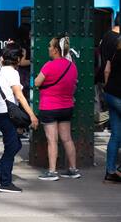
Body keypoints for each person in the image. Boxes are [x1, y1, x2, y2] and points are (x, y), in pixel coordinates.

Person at [0, 43, 38, 192]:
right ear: (16, 58)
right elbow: (19, 95)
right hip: (6, 113)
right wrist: (32, 115)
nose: (23, 59)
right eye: (22, 56)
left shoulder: (0, 71)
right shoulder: (12, 72)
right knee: (11, 146)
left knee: (15, 144)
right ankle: (5, 183)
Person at [35, 36, 80, 181]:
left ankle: (52, 172)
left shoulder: (49, 65)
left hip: (49, 107)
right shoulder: (72, 66)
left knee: (52, 140)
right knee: (67, 139)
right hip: (67, 107)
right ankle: (73, 169)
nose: (48, 48)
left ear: (55, 50)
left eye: (50, 46)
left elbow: (37, 82)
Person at [103, 36, 121, 183]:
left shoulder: (115, 52)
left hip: (111, 94)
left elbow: (107, 71)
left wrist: (107, 87)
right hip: (119, 96)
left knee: (116, 134)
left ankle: (110, 171)